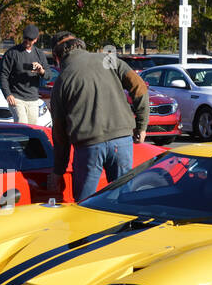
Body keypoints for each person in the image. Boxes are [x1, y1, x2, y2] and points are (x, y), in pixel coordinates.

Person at [47, 32, 149, 202]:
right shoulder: (107, 60)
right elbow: (140, 87)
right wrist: (142, 125)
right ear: (81, 46)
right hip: (122, 140)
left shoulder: (62, 81)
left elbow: (59, 134)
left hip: (89, 147)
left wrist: (58, 171)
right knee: (123, 200)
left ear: (57, 57)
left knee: (85, 205)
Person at [0, 24, 51, 124]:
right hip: (17, 98)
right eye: (25, 38)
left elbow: (49, 75)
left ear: (36, 39)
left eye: (30, 39)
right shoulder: (12, 53)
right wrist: (8, 94)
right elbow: (3, 75)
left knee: (32, 129)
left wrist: (41, 71)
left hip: (33, 99)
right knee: (22, 125)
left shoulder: (39, 54)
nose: (27, 41)